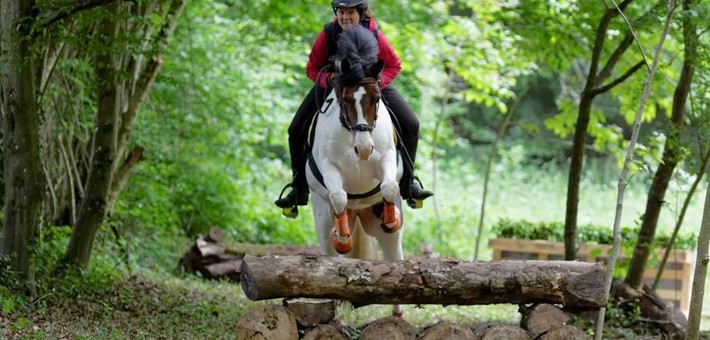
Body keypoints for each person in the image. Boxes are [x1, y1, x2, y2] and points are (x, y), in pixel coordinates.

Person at [275, 0, 432, 210]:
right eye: (341, 12)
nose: (345, 17)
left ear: (361, 13)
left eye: (350, 12)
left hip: (370, 87)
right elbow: (312, 69)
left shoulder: (374, 32)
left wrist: (375, 85)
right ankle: (298, 188)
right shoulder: (328, 33)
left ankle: (408, 184)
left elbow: (394, 65)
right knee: (295, 129)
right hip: (335, 86)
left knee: (411, 123)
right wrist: (329, 80)